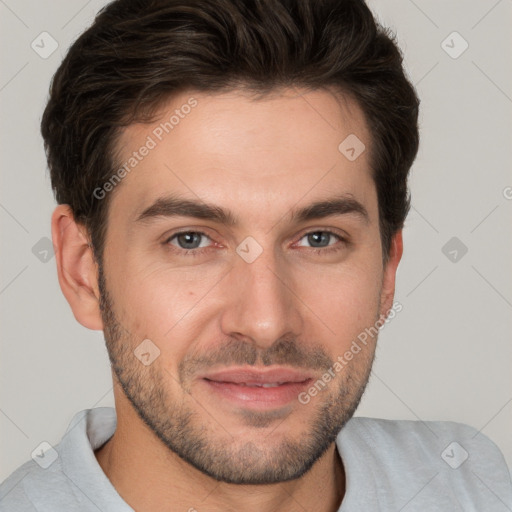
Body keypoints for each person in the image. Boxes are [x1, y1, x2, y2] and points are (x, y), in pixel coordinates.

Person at [1, 0, 511, 510]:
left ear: (386, 269)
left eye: (319, 239)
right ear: (83, 270)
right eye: (191, 240)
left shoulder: (470, 483)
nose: (266, 322)